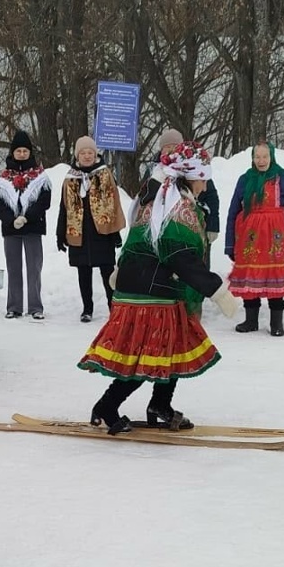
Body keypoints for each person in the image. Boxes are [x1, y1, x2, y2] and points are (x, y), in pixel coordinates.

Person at [79, 142, 236, 432]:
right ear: (191, 177)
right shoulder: (175, 207)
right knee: (142, 355)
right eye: (203, 178)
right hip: (148, 291)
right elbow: (181, 257)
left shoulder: (166, 199)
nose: (205, 185)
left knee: (172, 348)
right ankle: (106, 406)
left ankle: (160, 404)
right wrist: (217, 291)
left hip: (155, 287)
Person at [225, 141, 284, 336]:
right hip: (248, 237)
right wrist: (229, 243)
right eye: (257, 157)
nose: (261, 161)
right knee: (251, 276)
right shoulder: (245, 179)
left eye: (265, 156)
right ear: (252, 158)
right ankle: (251, 321)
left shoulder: (283, 178)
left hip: (276, 237)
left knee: (274, 277)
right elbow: (234, 211)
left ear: (272, 157)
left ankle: (277, 324)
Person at [57, 135, 125, 322]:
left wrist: (115, 233)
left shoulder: (104, 174)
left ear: (95, 154)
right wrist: (60, 233)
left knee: (107, 271)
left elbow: (114, 204)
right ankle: (87, 308)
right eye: (83, 153)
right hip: (79, 233)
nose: (86, 156)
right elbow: (64, 207)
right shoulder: (71, 178)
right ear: (77, 156)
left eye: (90, 153)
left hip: (101, 233)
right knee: (83, 272)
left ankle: (114, 307)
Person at [0, 130, 50, 321]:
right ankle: (14, 306)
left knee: (34, 268)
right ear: (13, 152)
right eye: (18, 151)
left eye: (25, 150)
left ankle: (35, 306)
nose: (22, 154)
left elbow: (44, 201)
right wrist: (11, 220)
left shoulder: (39, 175)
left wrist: (28, 217)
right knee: (13, 267)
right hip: (11, 230)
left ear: (30, 152)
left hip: (32, 227)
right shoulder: (4, 177)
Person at [145, 127, 220, 262]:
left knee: (198, 258)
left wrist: (213, 225)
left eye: (174, 147)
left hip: (196, 222)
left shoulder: (194, 167)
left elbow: (211, 197)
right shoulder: (155, 170)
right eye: (166, 147)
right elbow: (145, 196)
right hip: (165, 226)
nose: (169, 150)